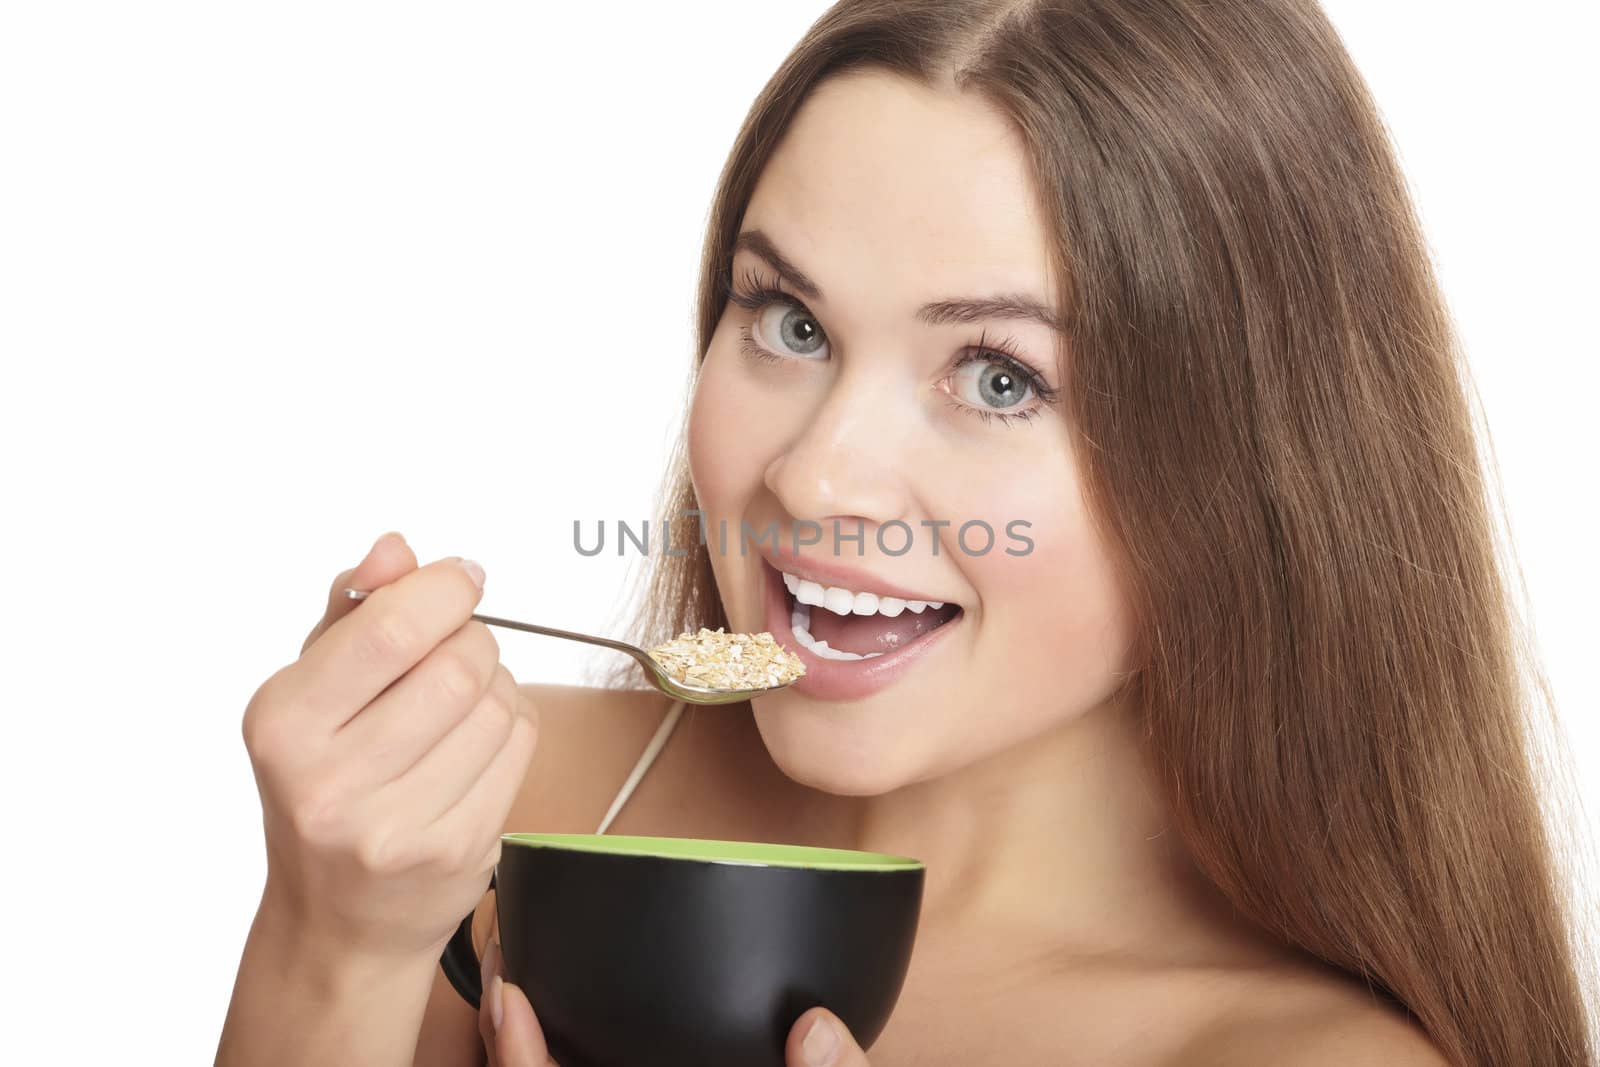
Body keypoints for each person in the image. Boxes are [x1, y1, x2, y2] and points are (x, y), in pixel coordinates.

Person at [216, 1, 1597, 1064]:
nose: (818, 478)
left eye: (1000, 377)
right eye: (791, 323)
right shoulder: (472, 826)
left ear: (1248, 466)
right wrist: (329, 945)